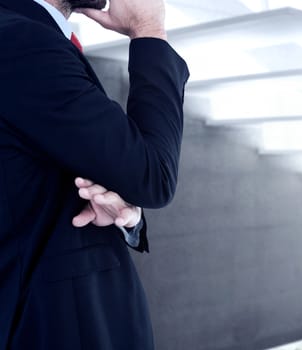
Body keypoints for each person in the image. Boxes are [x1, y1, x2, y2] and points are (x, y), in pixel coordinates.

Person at [0, 0, 188, 348]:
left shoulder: (26, 36)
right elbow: (154, 175)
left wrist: (128, 214)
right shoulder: (22, 41)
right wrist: (149, 30)